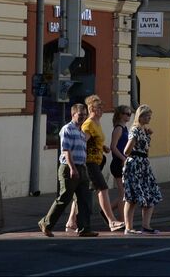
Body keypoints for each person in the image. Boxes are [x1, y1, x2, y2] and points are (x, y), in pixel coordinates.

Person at [66, 95, 123, 232]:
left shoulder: (97, 122)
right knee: (102, 188)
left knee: (82, 192)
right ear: (91, 108)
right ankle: (111, 221)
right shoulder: (89, 123)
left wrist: (102, 147)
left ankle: (71, 222)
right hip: (89, 162)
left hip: (97, 161)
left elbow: (94, 140)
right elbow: (83, 140)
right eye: (99, 107)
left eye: (102, 106)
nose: (102, 109)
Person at [40, 103, 97, 237]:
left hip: (81, 168)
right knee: (64, 197)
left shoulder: (81, 131)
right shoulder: (67, 129)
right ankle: (46, 224)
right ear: (73, 114)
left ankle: (85, 229)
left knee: (84, 199)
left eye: (84, 115)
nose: (83, 117)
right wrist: (72, 168)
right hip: (69, 168)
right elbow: (66, 151)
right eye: (80, 115)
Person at [121, 104, 163, 234]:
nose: (150, 118)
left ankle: (146, 225)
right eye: (148, 116)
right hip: (135, 165)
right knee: (132, 197)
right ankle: (128, 227)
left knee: (151, 194)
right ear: (141, 116)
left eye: (150, 116)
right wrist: (135, 143)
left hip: (144, 165)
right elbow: (127, 151)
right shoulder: (135, 130)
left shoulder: (144, 130)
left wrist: (148, 136)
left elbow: (146, 150)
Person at [109, 104, 131, 212]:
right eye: (127, 114)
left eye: (130, 114)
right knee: (123, 194)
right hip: (118, 163)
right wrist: (123, 158)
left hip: (123, 162)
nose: (129, 116)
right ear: (120, 115)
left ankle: (107, 211)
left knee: (126, 193)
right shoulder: (118, 129)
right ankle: (123, 220)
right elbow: (113, 147)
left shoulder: (125, 128)